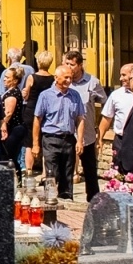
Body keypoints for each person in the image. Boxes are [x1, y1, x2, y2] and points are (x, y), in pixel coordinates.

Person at [32, 64, 86, 199]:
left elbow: (80, 119)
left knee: (67, 175)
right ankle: (50, 204)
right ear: (56, 78)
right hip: (51, 139)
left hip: (68, 139)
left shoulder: (75, 96)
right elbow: (37, 120)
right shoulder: (45, 96)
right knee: (51, 174)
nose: (69, 80)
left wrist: (79, 141)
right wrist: (35, 144)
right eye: (66, 77)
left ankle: (67, 204)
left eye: (71, 78)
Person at [64, 50, 106, 201]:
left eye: (72, 64)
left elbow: (105, 104)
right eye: (66, 63)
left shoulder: (92, 82)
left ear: (80, 65)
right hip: (67, 133)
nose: (68, 67)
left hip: (87, 134)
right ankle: (66, 198)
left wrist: (99, 125)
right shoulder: (62, 80)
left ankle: (94, 200)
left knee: (90, 170)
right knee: (66, 169)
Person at [99, 63, 133, 155]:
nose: (120, 79)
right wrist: (99, 139)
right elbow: (107, 118)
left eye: (124, 75)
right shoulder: (116, 95)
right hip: (121, 141)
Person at [0, 64, 27, 170]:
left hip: (14, 129)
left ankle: (16, 178)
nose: (4, 79)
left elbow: (8, 113)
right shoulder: (10, 91)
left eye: (7, 77)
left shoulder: (12, 93)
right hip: (14, 128)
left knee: (9, 155)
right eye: (5, 77)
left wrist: (2, 126)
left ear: (15, 81)